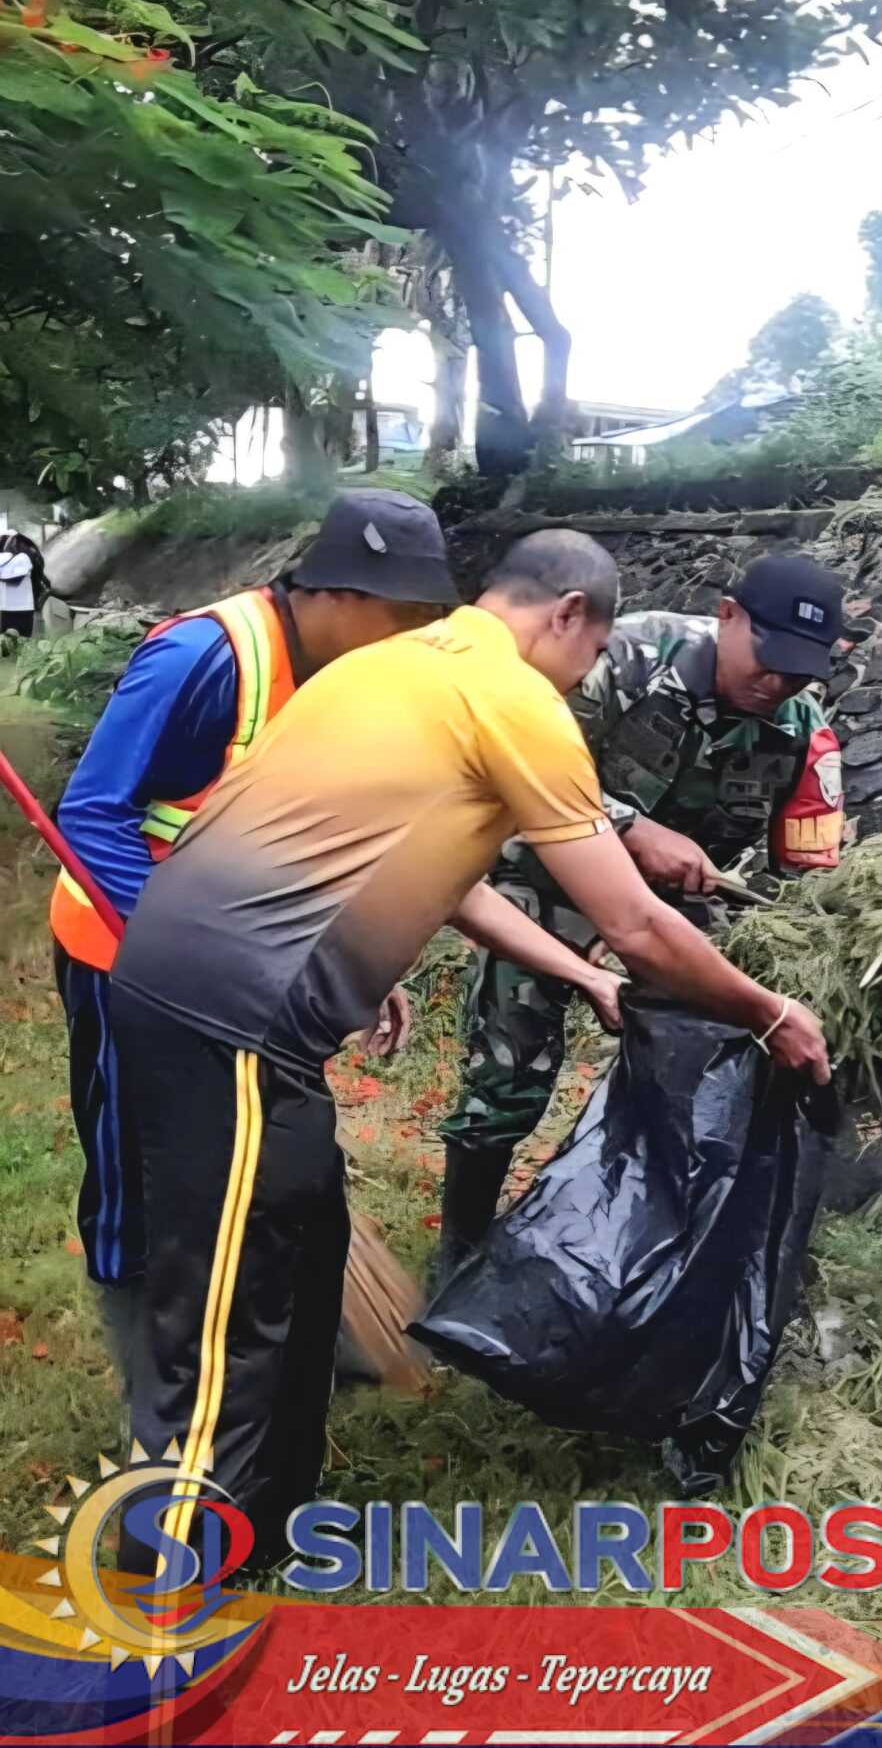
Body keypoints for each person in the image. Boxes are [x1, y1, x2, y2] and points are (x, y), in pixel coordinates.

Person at [107, 528, 830, 1569]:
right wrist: (766, 1010)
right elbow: (634, 919)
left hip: (231, 1004)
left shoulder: (405, 666)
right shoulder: (518, 703)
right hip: (226, 1014)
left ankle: (266, 1519)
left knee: (302, 1257)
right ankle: (166, 1574)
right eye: (590, 652)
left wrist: (578, 976)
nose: (586, 675)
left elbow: (451, 877)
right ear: (568, 615)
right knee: (224, 1301)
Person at [48, 491, 623, 1400]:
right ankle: (149, 1377)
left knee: (268, 1157)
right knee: (135, 1169)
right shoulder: (206, 655)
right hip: (125, 958)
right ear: (339, 593)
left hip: (259, 976)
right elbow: (93, 815)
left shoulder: (356, 680)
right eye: (400, 619)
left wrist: (337, 945)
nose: (410, 639)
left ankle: (305, 1342)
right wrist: (184, 955)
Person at [434, 550, 847, 1276]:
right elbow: (510, 770)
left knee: (709, 1066)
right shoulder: (621, 661)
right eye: (768, 658)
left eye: (800, 671)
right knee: (510, 1068)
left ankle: (653, 1248)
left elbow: (803, 877)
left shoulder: (800, 734)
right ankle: (461, 1250)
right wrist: (627, 826)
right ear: (728, 617)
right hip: (549, 884)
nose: (778, 682)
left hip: (676, 919)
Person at [0, 531, 43, 637]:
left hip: (8, 610)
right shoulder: (25, 557)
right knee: (21, 646)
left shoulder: (23, 558)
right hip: (23, 610)